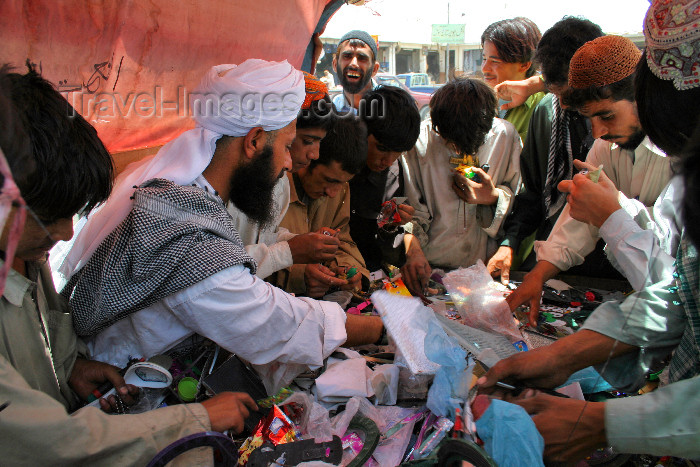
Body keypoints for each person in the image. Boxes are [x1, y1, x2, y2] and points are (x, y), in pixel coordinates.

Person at [56, 60, 384, 391]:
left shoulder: (189, 195)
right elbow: (274, 322)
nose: (290, 162)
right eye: (287, 146)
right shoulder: (183, 227)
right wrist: (383, 328)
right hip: (118, 388)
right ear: (255, 140)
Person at [0, 65, 258, 465]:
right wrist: (197, 417)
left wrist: (72, 367)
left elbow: (47, 332)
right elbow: (50, 444)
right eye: (51, 216)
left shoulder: (25, 257)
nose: (68, 234)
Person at [479, 2, 700, 460]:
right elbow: (678, 297)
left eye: (607, 117)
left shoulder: (676, 160)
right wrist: (559, 355)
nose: (598, 132)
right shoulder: (627, 152)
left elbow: (661, 279)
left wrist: (606, 423)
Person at [508, 35, 674, 326]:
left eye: (607, 116)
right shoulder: (604, 148)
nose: (597, 132)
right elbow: (577, 223)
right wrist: (537, 276)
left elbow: (672, 247)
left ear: (641, 95)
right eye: (589, 119)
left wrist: (613, 209)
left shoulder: (679, 150)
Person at [487, 17, 604, 283]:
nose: (563, 103)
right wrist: (510, 243)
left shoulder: (614, 128)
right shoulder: (547, 113)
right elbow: (535, 193)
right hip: (552, 256)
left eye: (570, 96)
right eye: (555, 92)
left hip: (610, 264)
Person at [400, 78, 522, 295]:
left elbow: (521, 200)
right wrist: (414, 252)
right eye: (450, 142)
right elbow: (412, 210)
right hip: (431, 266)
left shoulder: (505, 136)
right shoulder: (419, 141)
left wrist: (492, 197)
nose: (458, 150)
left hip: (483, 267)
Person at [228, 72, 342, 280]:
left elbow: (263, 237)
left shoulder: (279, 184)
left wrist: (301, 242)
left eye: (319, 143)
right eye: (306, 141)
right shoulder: (217, 186)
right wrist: (288, 251)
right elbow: (217, 270)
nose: (314, 155)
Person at [272, 114, 369, 297]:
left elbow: (343, 242)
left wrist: (348, 269)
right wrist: (300, 275)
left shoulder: (339, 188)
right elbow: (251, 258)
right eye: (328, 180)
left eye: (342, 183)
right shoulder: (272, 189)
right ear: (307, 161)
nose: (333, 192)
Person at [350, 85, 421, 272]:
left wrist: (391, 226)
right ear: (361, 130)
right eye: (381, 148)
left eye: (397, 152)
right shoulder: (336, 162)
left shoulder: (393, 175)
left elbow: (383, 245)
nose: (388, 161)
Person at [481, 17, 546, 143]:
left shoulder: (543, 105)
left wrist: (535, 84)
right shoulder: (477, 103)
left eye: (495, 61)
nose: (485, 69)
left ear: (525, 64)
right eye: (484, 59)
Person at [332, 29, 379, 113]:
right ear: (335, 64)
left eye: (362, 58)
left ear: (374, 69)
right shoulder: (331, 109)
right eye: (347, 56)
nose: (353, 64)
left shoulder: (393, 107)